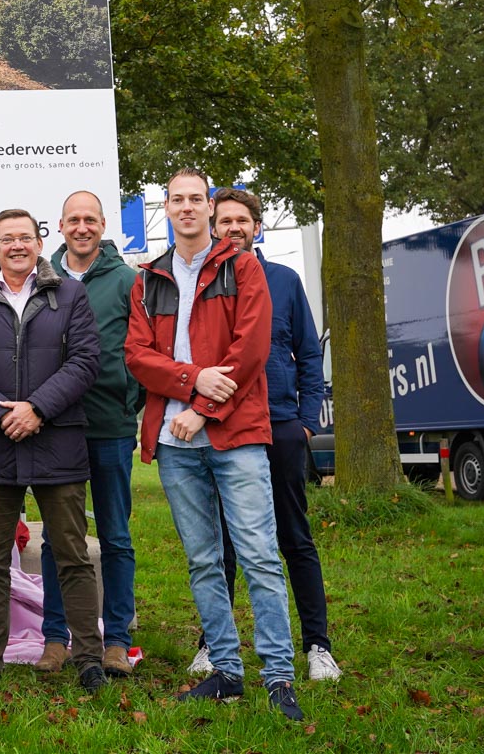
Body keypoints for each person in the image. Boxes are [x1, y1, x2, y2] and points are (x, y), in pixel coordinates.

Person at [125, 169, 303, 722]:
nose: (186, 207)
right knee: (203, 560)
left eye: (195, 199)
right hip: (174, 441)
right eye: (176, 200)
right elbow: (137, 355)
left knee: (259, 556)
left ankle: (278, 677)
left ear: (209, 206)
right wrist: (192, 379)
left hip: (235, 434)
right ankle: (226, 670)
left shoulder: (242, 267)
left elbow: (250, 350)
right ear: (166, 209)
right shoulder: (148, 279)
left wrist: (202, 408)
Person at [0, 209, 105, 693]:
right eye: (7, 238)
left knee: (72, 555)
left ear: (39, 243)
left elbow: (85, 361)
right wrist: (3, 415)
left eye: (25, 237)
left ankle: (89, 659)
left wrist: (37, 408)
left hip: (58, 441)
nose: (17, 245)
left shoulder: (70, 295)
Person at [201, 187, 338, 682]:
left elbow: (308, 352)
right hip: (225, 425)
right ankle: (212, 646)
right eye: (225, 221)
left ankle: (318, 645)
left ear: (257, 228)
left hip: (279, 423)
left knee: (292, 536)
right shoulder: (204, 283)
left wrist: (306, 421)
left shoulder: (284, 281)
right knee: (223, 541)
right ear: (213, 228)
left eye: (242, 220)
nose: (233, 228)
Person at [36, 190, 142, 677]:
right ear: (60, 226)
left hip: (109, 425)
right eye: (73, 219)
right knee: (58, 538)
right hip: (55, 427)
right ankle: (56, 638)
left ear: (102, 225)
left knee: (115, 535)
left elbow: (143, 346)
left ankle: (116, 639)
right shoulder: (43, 279)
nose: (82, 227)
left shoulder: (126, 280)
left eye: (90, 220)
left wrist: (128, 397)